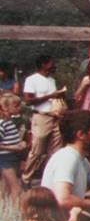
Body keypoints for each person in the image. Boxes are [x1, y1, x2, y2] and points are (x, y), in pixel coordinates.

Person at [21, 55, 66, 184]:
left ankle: (48, 179)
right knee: (37, 150)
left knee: (55, 151)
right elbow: (28, 101)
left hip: (55, 117)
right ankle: (26, 178)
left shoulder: (51, 80)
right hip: (41, 117)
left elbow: (52, 98)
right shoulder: (32, 79)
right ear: (43, 65)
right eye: (52, 63)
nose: (54, 66)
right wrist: (51, 95)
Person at [0, 93, 26, 200]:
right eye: (16, 106)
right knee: (16, 188)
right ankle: (15, 213)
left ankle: (4, 211)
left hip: (13, 158)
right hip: (5, 159)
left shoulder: (9, 121)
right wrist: (15, 147)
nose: (19, 108)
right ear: (5, 107)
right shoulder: (2, 123)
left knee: (5, 188)